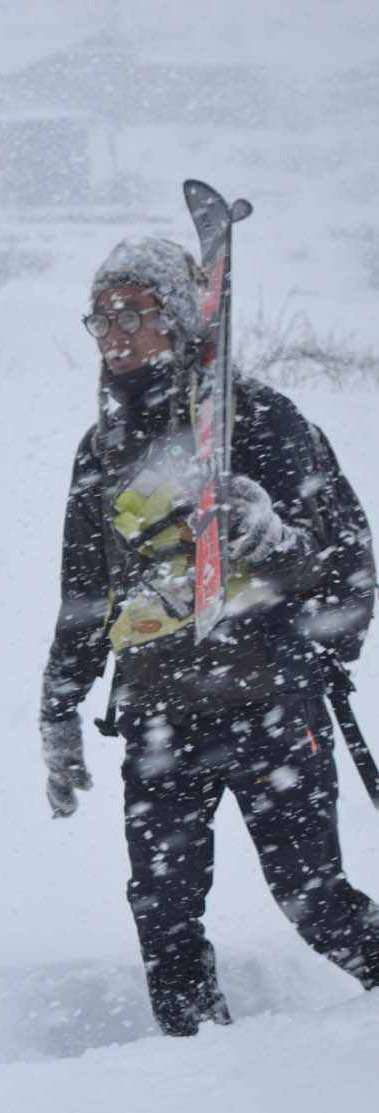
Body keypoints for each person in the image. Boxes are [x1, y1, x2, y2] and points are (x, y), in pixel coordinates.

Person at [40, 237, 379, 1035]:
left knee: (315, 902)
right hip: (160, 714)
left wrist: (276, 541)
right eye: (103, 318)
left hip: (270, 705)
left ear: (184, 319)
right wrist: (58, 709)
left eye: (136, 313)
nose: (117, 333)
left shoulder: (263, 420)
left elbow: (351, 573)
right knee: (163, 916)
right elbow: (85, 597)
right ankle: (194, 1078)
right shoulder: (102, 452)